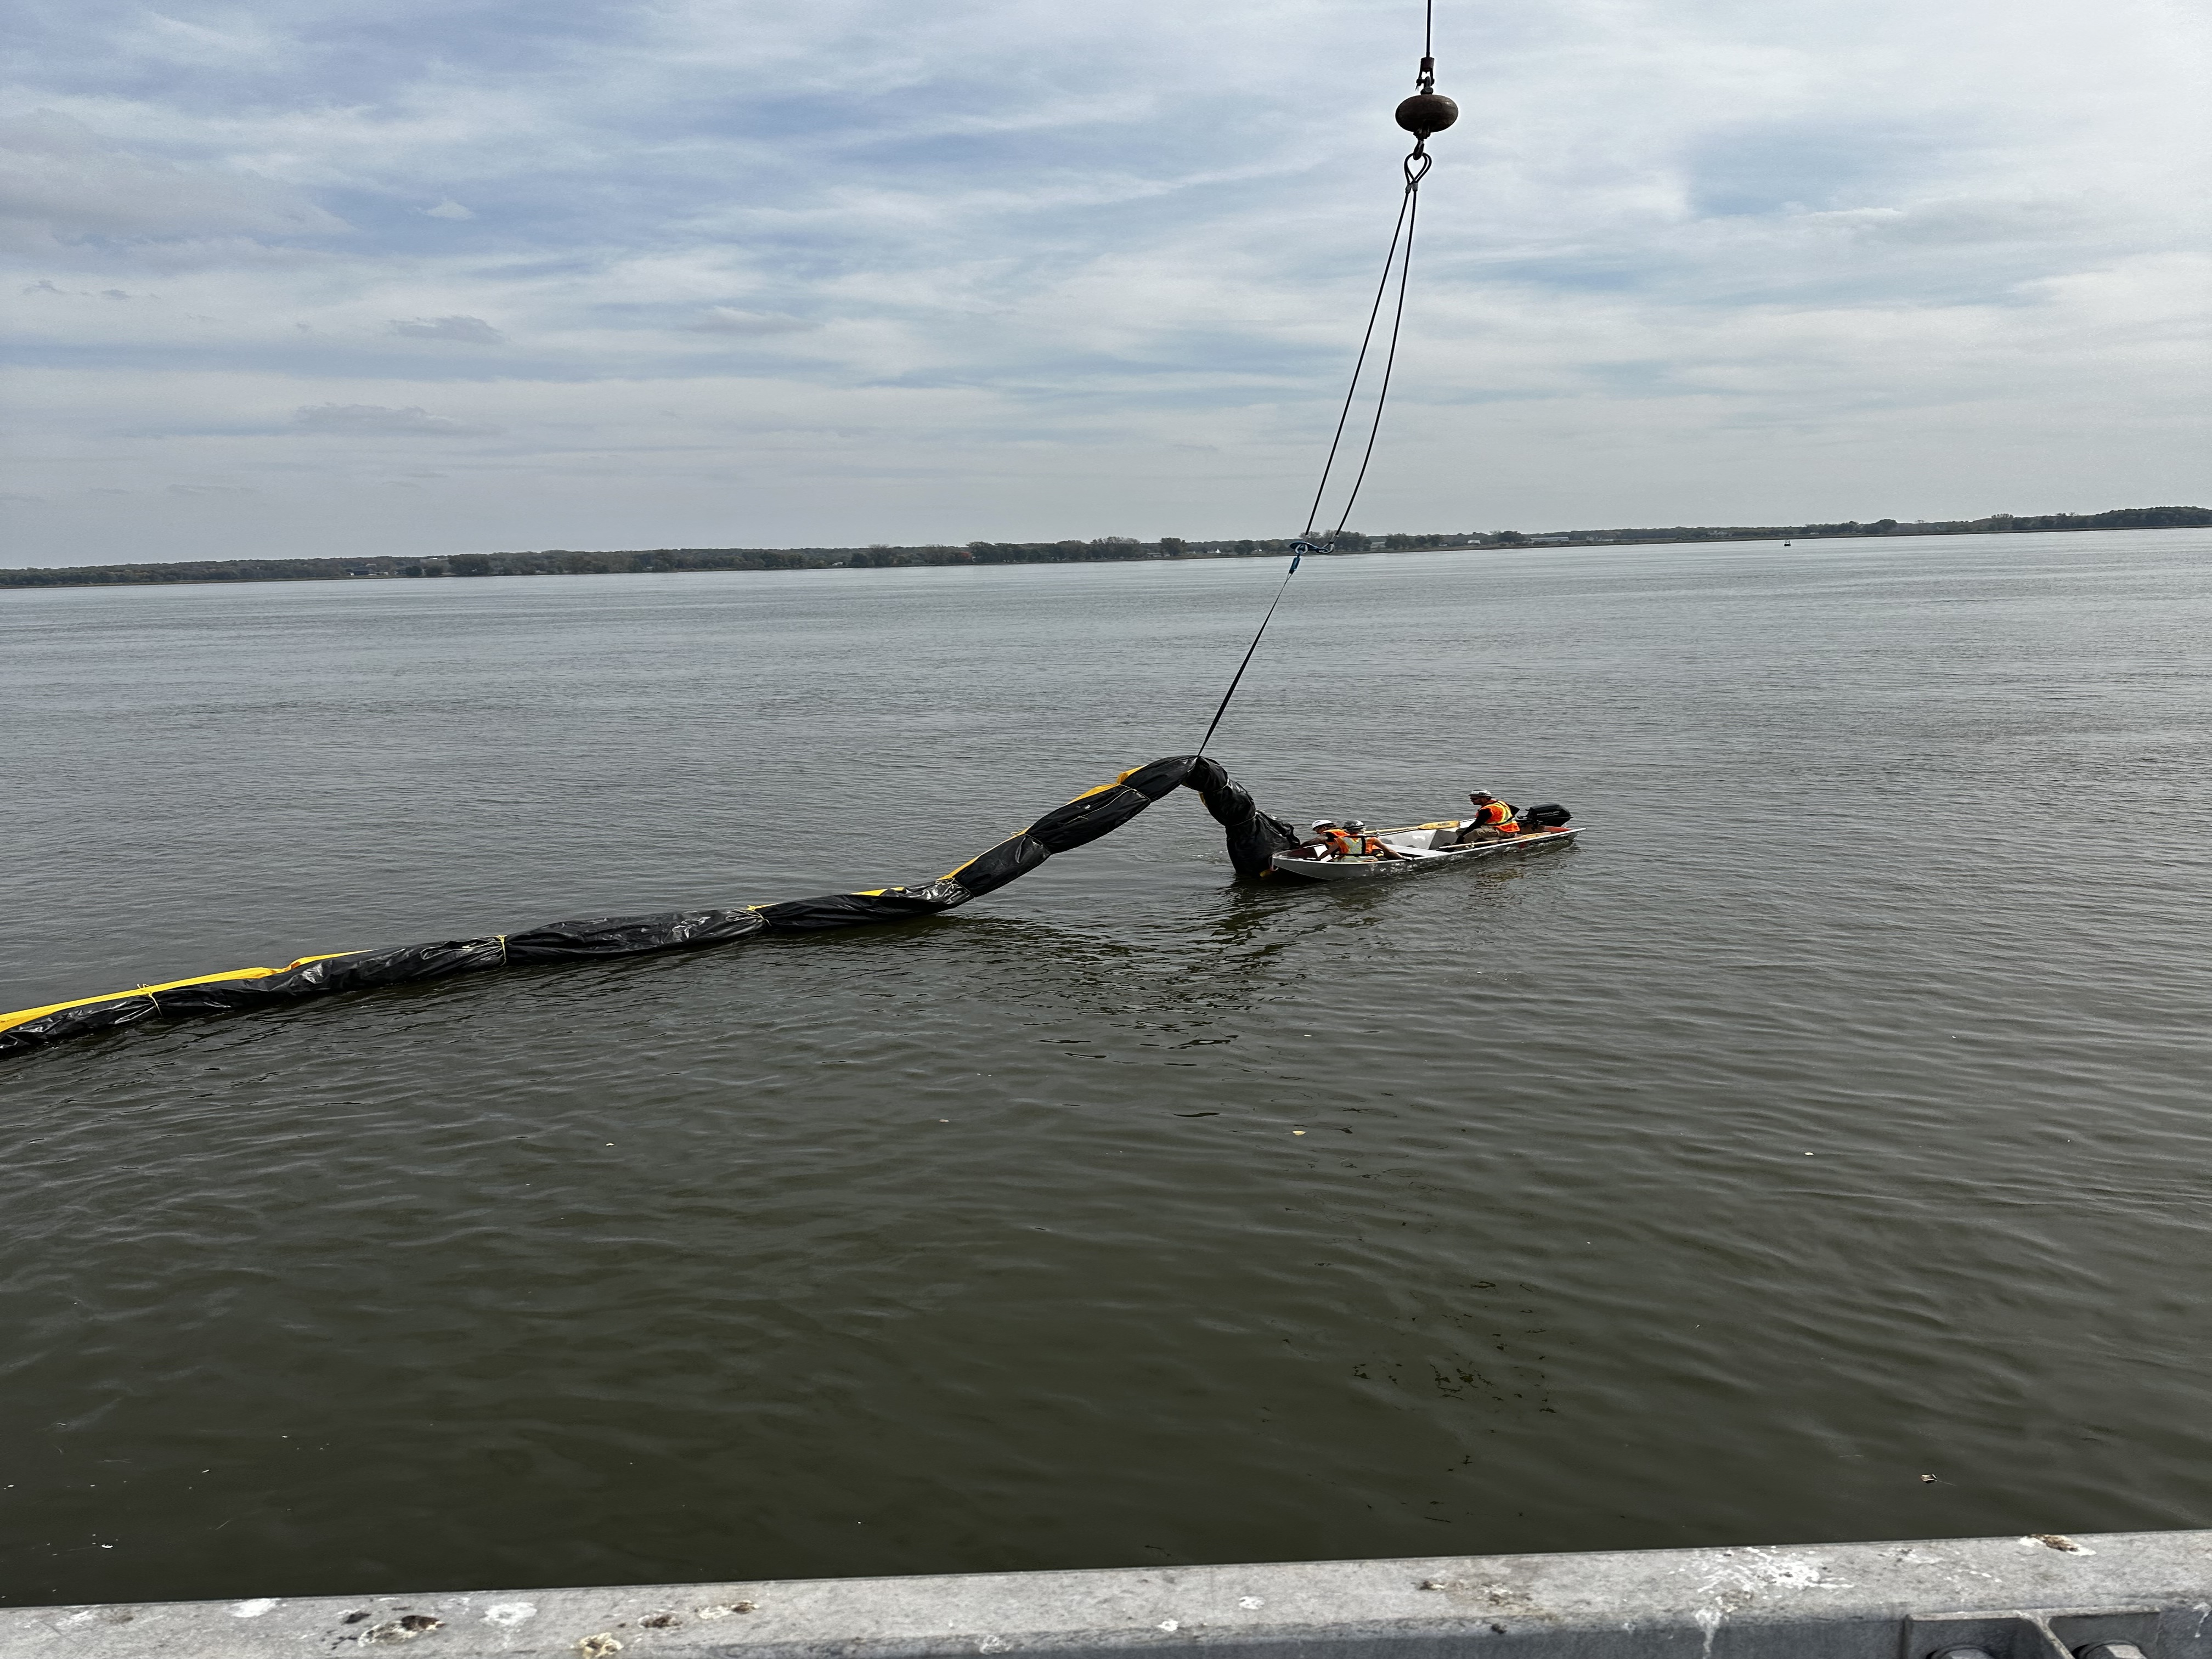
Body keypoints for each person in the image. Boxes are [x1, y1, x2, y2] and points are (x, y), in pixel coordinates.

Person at [1455, 791, 1520, 844]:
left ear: (1485, 799)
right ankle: (1480, 843)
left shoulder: (1487, 810)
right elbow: (1515, 809)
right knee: (1460, 831)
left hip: (1505, 831)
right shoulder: (1498, 803)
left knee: (1476, 832)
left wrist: (1461, 838)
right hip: (1499, 828)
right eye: (1471, 799)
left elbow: (1476, 825)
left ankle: (1455, 846)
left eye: (1474, 799)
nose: (1472, 800)